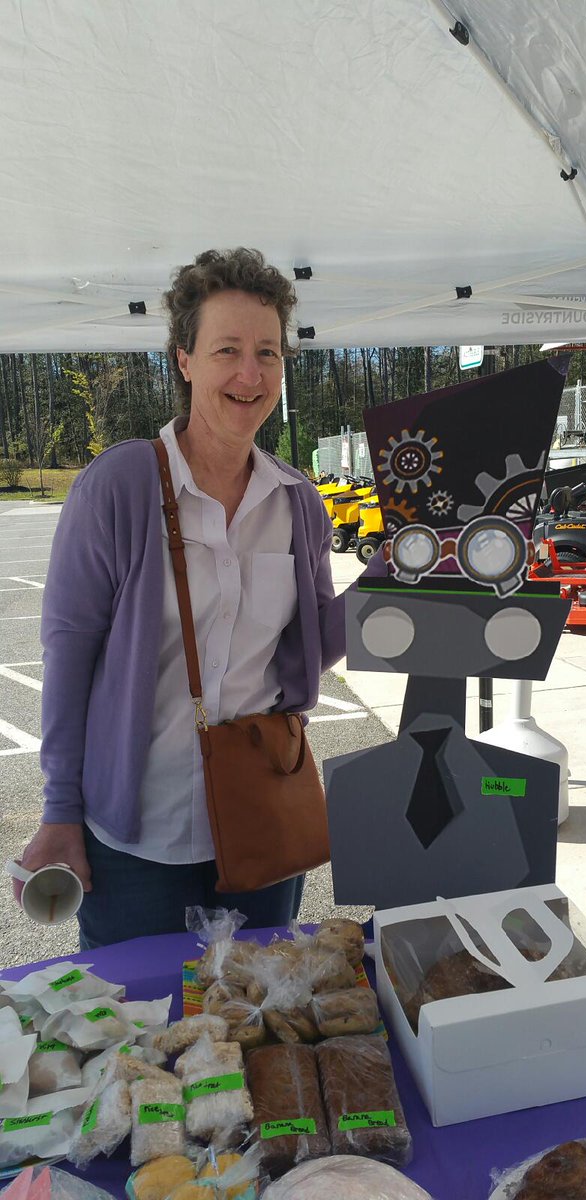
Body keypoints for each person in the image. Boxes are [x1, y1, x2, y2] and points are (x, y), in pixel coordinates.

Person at [21, 247, 376, 949]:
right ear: (184, 360)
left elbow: (311, 649)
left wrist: (397, 568)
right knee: (137, 1011)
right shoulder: (119, 486)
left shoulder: (298, 501)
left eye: (268, 352)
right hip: (135, 840)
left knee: (261, 1002)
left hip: (261, 822)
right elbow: (68, 656)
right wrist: (59, 809)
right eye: (227, 350)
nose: (251, 374)